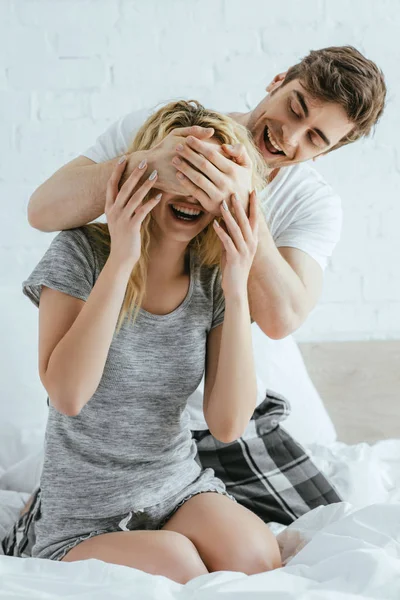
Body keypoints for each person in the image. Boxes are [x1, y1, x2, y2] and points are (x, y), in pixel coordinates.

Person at [2, 46, 386, 558]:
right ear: (278, 81)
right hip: (99, 444)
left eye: (316, 136)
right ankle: (47, 518)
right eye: (296, 108)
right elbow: (44, 210)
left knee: (277, 549)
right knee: (178, 560)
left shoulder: (300, 211)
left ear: (327, 150)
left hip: (197, 441)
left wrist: (242, 230)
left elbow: (281, 320)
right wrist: (143, 170)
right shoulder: (159, 133)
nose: (291, 136)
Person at [4, 101, 283, 582]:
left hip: (173, 486)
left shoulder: (214, 277)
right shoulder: (80, 252)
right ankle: (37, 523)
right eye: (183, 170)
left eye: (207, 178)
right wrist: (122, 258)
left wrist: (238, 287)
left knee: (257, 558)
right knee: (177, 562)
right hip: (84, 511)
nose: (192, 192)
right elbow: (68, 395)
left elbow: (228, 424)